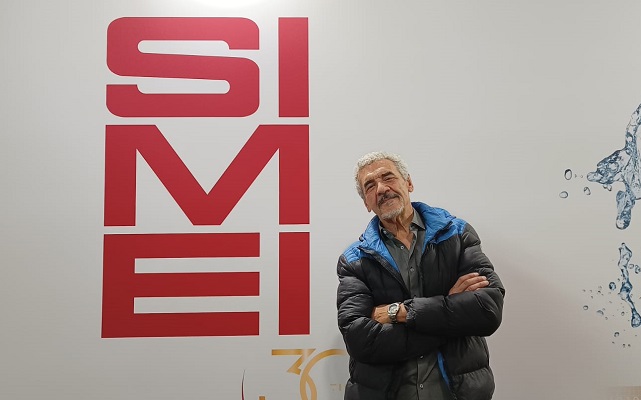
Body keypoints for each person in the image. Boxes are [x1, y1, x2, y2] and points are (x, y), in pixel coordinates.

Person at [336, 152, 505, 400]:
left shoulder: (457, 234)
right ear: (367, 203)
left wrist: (398, 312)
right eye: (370, 186)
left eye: (388, 177)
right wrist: (450, 311)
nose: (381, 189)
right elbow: (360, 340)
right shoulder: (354, 260)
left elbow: (487, 310)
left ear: (409, 183)